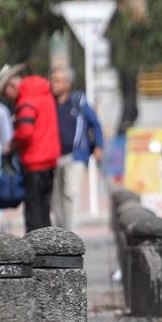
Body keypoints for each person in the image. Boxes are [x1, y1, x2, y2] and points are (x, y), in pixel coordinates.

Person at [50, 65, 104, 231]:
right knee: (54, 199)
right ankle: (57, 236)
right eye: (53, 80)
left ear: (68, 83)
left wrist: (98, 146)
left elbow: (95, 123)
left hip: (75, 156)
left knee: (71, 195)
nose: (54, 84)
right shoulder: (49, 102)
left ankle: (71, 236)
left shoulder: (78, 101)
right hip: (52, 157)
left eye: (58, 80)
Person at [10, 73, 61, 231]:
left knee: (33, 212)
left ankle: (35, 250)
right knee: (44, 210)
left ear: (12, 86)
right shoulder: (46, 95)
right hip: (50, 159)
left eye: (6, 93)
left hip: (34, 162)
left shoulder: (27, 101)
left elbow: (25, 132)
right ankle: (47, 248)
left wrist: (12, 144)